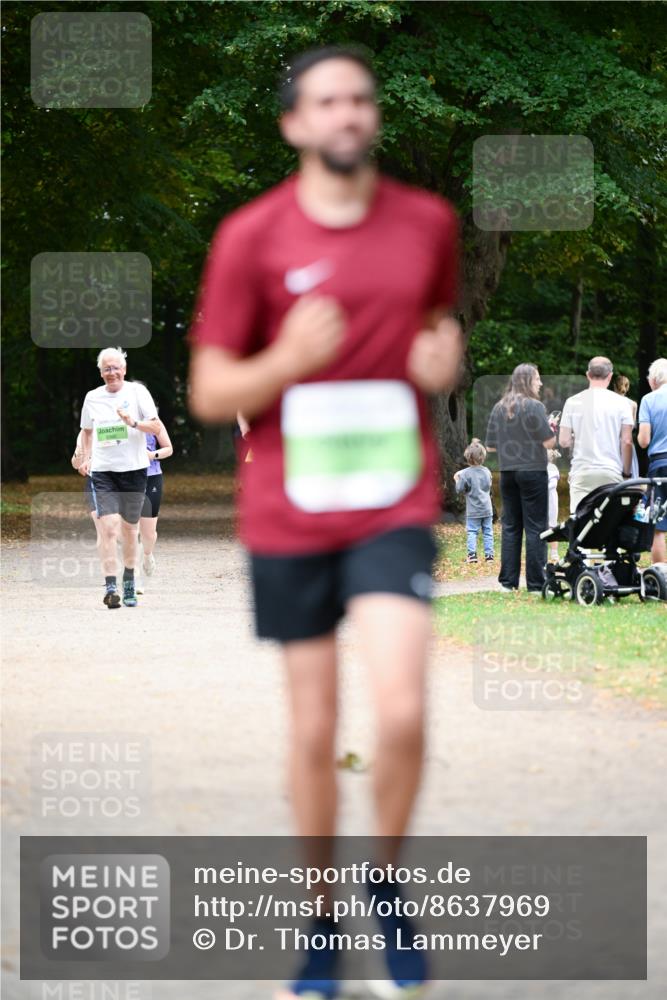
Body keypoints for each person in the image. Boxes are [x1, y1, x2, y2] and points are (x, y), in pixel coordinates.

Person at [188, 44, 462, 1000]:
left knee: (400, 708)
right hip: (291, 510)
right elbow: (212, 387)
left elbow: (437, 336)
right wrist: (286, 359)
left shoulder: (426, 223)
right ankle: (317, 921)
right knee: (313, 731)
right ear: (294, 124)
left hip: (391, 501)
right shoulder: (250, 236)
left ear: (372, 117)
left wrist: (442, 361)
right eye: (326, 102)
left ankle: (383, 882)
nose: (346, 114)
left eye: (360, 100)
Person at [79, 347, 161, 608]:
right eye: (107, 368)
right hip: (103, 472)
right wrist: (86, 455)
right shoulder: (92, 397)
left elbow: (156, 426)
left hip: (135, 470)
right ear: (100, 372)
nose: (111, 372)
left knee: (129, 529)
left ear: (124, 369)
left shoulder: (138, 392)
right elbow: (87, 431)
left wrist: (133, 423)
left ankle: (129, 581)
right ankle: (111, 586)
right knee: (109, 527)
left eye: (116, 367)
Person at [485, 364, 555, 593]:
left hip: (507, 473)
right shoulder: (535, 407)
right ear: (527, 381)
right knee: (536, 528)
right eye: (537, 379)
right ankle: (535, 583)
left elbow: (491, 447)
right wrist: (551, 429)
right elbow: (548, 442)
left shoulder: (499, 408)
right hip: (533, 471)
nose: (540, 383)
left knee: (511, 527)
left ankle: (508, 582)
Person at [559, 357, 634, 513]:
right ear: (610, 376)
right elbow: (627, 441)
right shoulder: (622, 403)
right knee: (609, 523)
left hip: (582, 470)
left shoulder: (573, 401)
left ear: (588, 375)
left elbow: (564, 441)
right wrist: (626, 474)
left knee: (580, 522)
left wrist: (577, 439)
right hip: (611, 471)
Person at [637, 357, 667, 563]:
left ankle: (662, 578)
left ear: (654, 379)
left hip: (660, 466)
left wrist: (638, 436)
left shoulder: (649, 400)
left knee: (659, 528)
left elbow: (644, 440)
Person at [140, 420, 173, 579]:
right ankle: (132, 575)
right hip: (125, 477)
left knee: (148, 533)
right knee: (128, 529)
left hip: (151, 477)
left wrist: (152, 455)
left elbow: (169, 449)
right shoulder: (119, 421)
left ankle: (147, 554)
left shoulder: (153, 421)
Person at [453, 438, 494, 563]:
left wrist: (457, 479)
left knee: (472, 531)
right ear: (483, 457)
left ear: (468, 457)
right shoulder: (487, 471)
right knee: (488, 532)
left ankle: (472, 556)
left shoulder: (465, 474)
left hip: (473, 510)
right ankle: (489, 557)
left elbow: (459, 489)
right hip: (487, 508)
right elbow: (488, 485)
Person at [613, 373, 639, 477]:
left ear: (614, 386)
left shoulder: (609, 402)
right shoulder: (633, 404)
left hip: (612, 441)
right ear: (627, 388)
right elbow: (632, 426)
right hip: (627, 442)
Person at [546, 447, 561, 562]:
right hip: (542, 500)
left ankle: (554, 553)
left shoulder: (552, 468)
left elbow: (552, 484)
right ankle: (541, 550)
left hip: (550, 501)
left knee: (552, 526)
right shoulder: (539, 468)